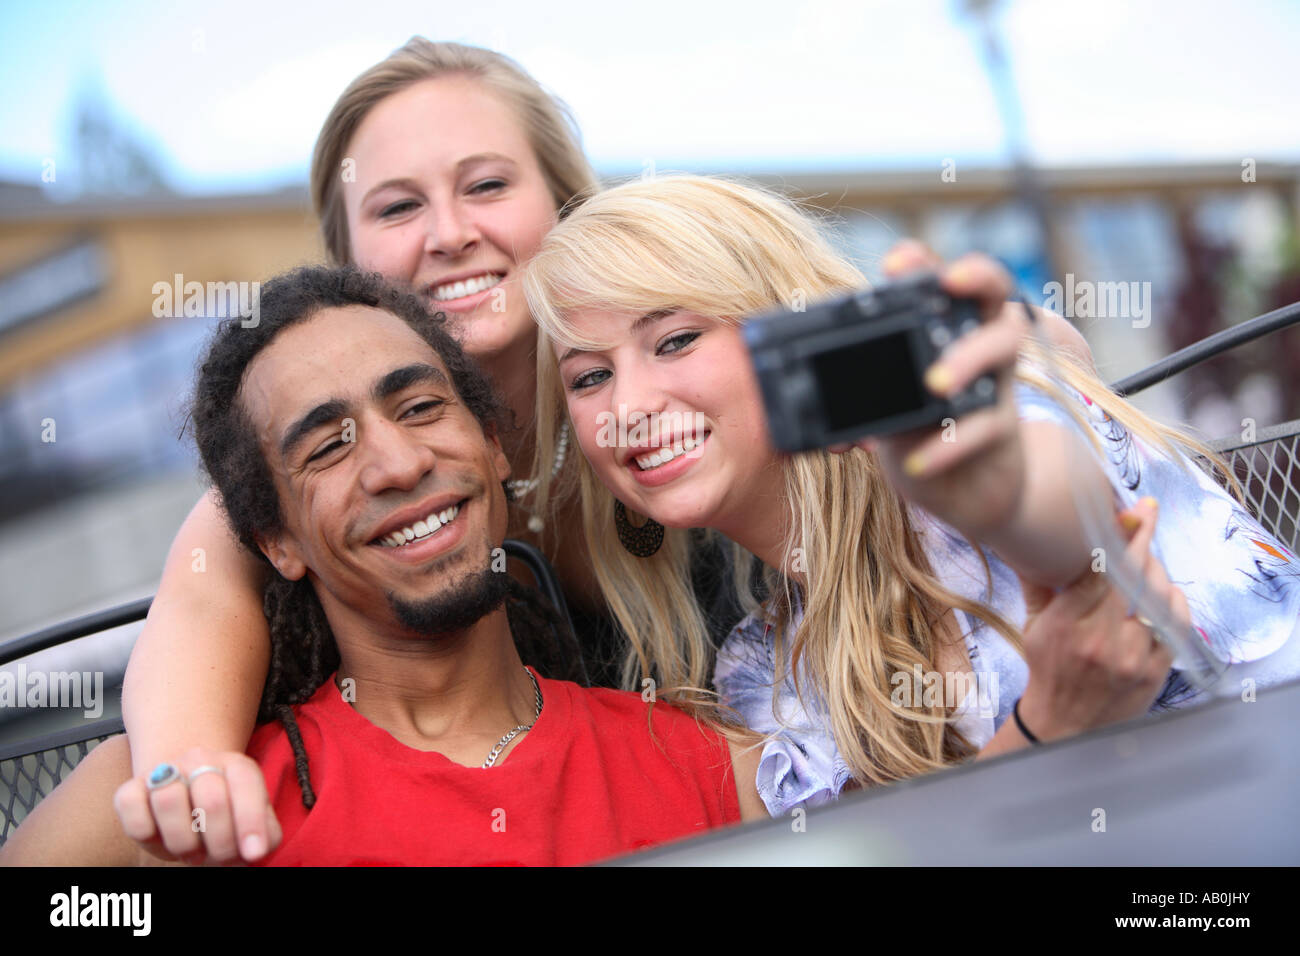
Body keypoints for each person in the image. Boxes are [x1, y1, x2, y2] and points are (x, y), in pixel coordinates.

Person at [520, 174, 1300, 815]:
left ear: (782, 330)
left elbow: (1069, 511)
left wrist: (994, 498)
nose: (628, 406)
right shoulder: (764, 676)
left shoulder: (986, 414)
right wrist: (1041, 730)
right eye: (589, 377)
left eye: (675, 340)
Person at [0, 266, 766, 867]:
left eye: (421, 407)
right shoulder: (174, 812)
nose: (397, 464)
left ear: (495, 446)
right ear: (276, 543)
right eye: (328, 447)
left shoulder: (711, 766)